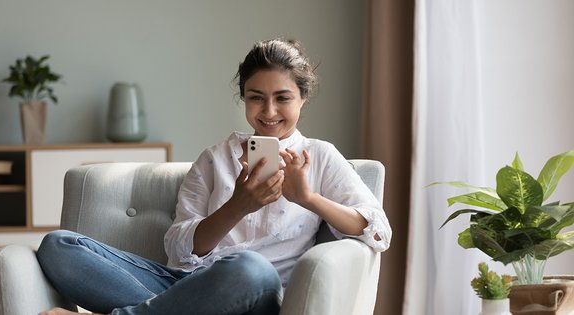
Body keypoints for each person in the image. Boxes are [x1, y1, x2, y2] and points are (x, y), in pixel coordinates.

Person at [37, 38, 392, 315]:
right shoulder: (214, 159)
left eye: (282, 98)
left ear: (303, 98)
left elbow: (378, 231)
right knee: (59, 245)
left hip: (258, 293)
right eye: (256, 98)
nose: (269, 112)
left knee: (248, 267)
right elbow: (178, 249)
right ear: (243, 98)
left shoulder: (320, 157)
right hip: (189, 286)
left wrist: (308, 199)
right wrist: (237, 207)